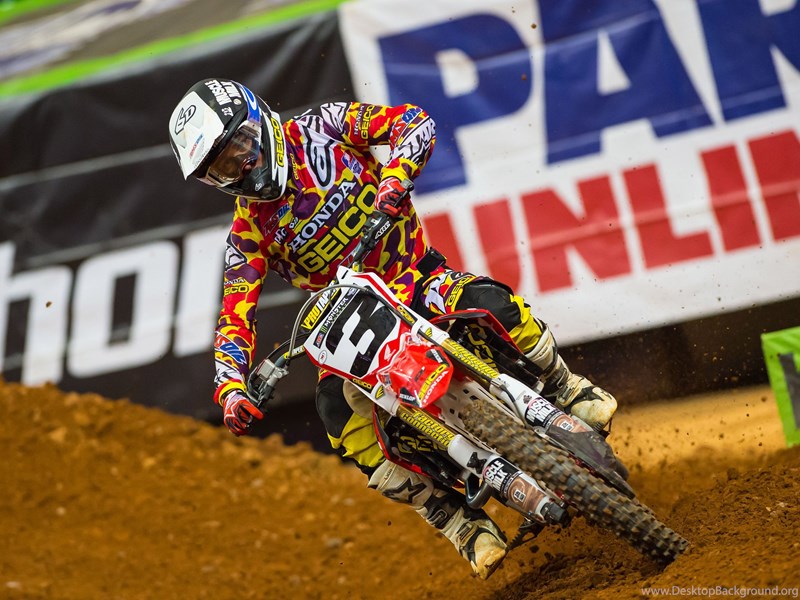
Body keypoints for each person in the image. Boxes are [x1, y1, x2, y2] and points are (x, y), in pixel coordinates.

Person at [168, 78, 618, 579]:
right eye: (223, 167)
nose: (242, 166)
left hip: (416, 278)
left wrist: (395, 178)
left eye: (240, 144)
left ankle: (565, 386)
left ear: (259, 119)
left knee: (489, 301)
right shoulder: (247, 231)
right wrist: (230, 389)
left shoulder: (324, 126)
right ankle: (451, 517)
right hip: (349, 325)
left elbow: (413, 122)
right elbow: (235, 314)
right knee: (337, 413)